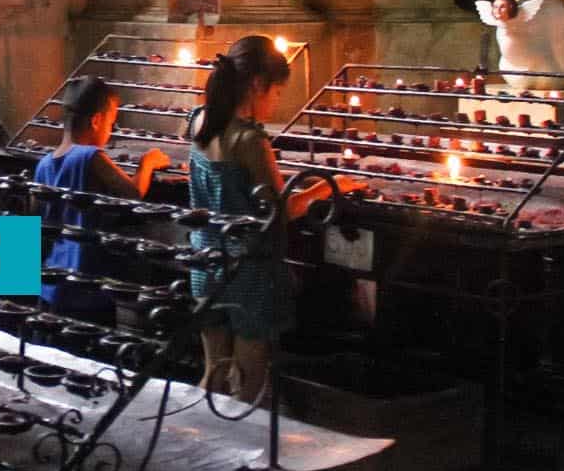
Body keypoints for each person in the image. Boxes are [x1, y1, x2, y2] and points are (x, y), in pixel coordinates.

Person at [186, 35, 358, 404]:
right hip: (247, 269)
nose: (277, 101)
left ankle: (197, 451)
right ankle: (240, 455)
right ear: (258, 85)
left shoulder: (199, 121)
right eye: (277, 92)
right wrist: (328, 187)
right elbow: (278, 214)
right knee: (248, 382)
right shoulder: (250, 140)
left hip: (204, 261)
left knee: (213, 370)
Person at [35, 76, 169, 321]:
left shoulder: (44, 164)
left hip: (53, 281)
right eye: (111, 123)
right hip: (86, 285)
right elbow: (133, 193)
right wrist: (148, 162)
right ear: (96, 120)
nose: (110, 131)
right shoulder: (91, 156)